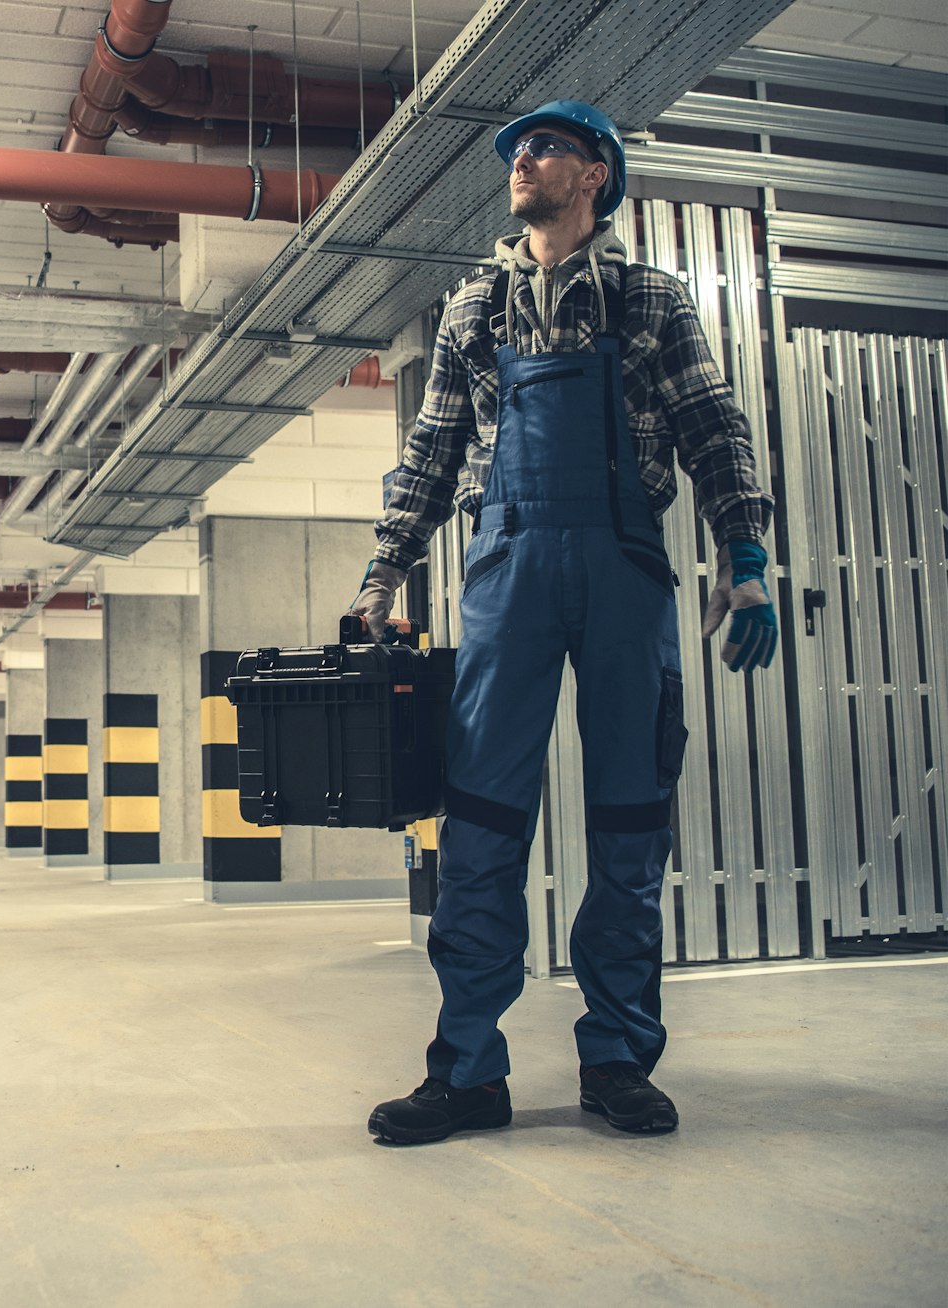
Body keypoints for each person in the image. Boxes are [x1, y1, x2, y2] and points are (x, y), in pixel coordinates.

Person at [346, 99, 777, 1145]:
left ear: (593, 174)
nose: (517, 162)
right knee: (483, 824)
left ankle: (618, 1057)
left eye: (538, 149)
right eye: (514, 153)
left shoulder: (648, 300)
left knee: (629, 822)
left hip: (625, 566)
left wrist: (745, 554)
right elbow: (432, 452)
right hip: (505, 573)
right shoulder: (470, 311)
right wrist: (380, 577)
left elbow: (710, 426)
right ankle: (467, 1074)